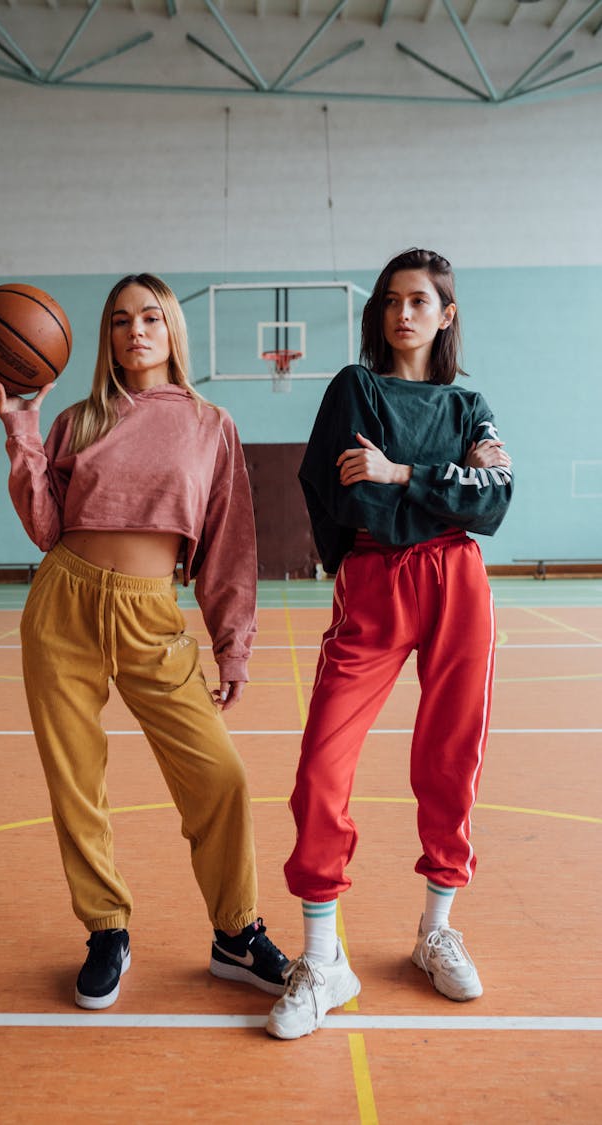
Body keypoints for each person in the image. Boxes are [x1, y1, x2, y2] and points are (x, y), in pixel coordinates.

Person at [0, 273, 287, 1009]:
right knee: (76, 778)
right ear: (108, 337)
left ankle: (236, 932)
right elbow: (46, 527)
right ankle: (106, 928)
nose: (135, 331)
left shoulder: (212, 424)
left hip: (153, 615)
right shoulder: (79, 419)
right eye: (120, 320)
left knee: (222, 776)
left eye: (150, 316)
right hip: (63, 603)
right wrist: (21, 426)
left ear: (174, 328)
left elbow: (228, 546)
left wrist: (231, 644)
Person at [266, 249, 514, 1040]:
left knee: (451, 755)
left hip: (456, 581)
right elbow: (338, 485)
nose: (402, 313)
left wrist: (402, 471)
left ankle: (436, 927)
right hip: (374, 579)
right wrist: (441, 485)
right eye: (390, 301)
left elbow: (498, 498)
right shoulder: (356, 389)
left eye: (420, 301)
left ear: (445, 315)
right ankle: (321, 959)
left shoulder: (471, 404)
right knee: (321, 763)